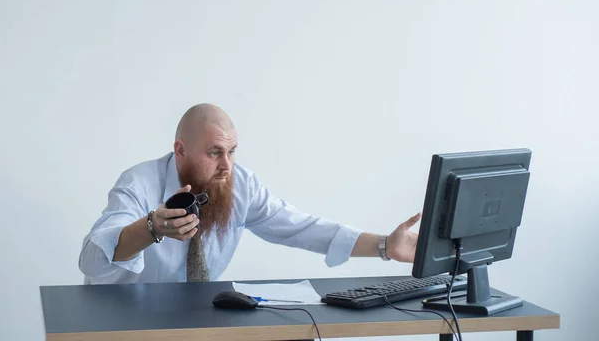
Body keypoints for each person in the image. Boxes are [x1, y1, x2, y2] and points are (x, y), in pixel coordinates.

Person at [78, 103, 422, 284]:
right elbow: (92, 260)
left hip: (199, 324)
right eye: (214, 153)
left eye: (232, 152)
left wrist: (384, 246)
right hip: (125, 326)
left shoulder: (239, 184)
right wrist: (150, 228)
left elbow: (301, 227)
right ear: (180, 150)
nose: (227, 165)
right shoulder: (139, 184)